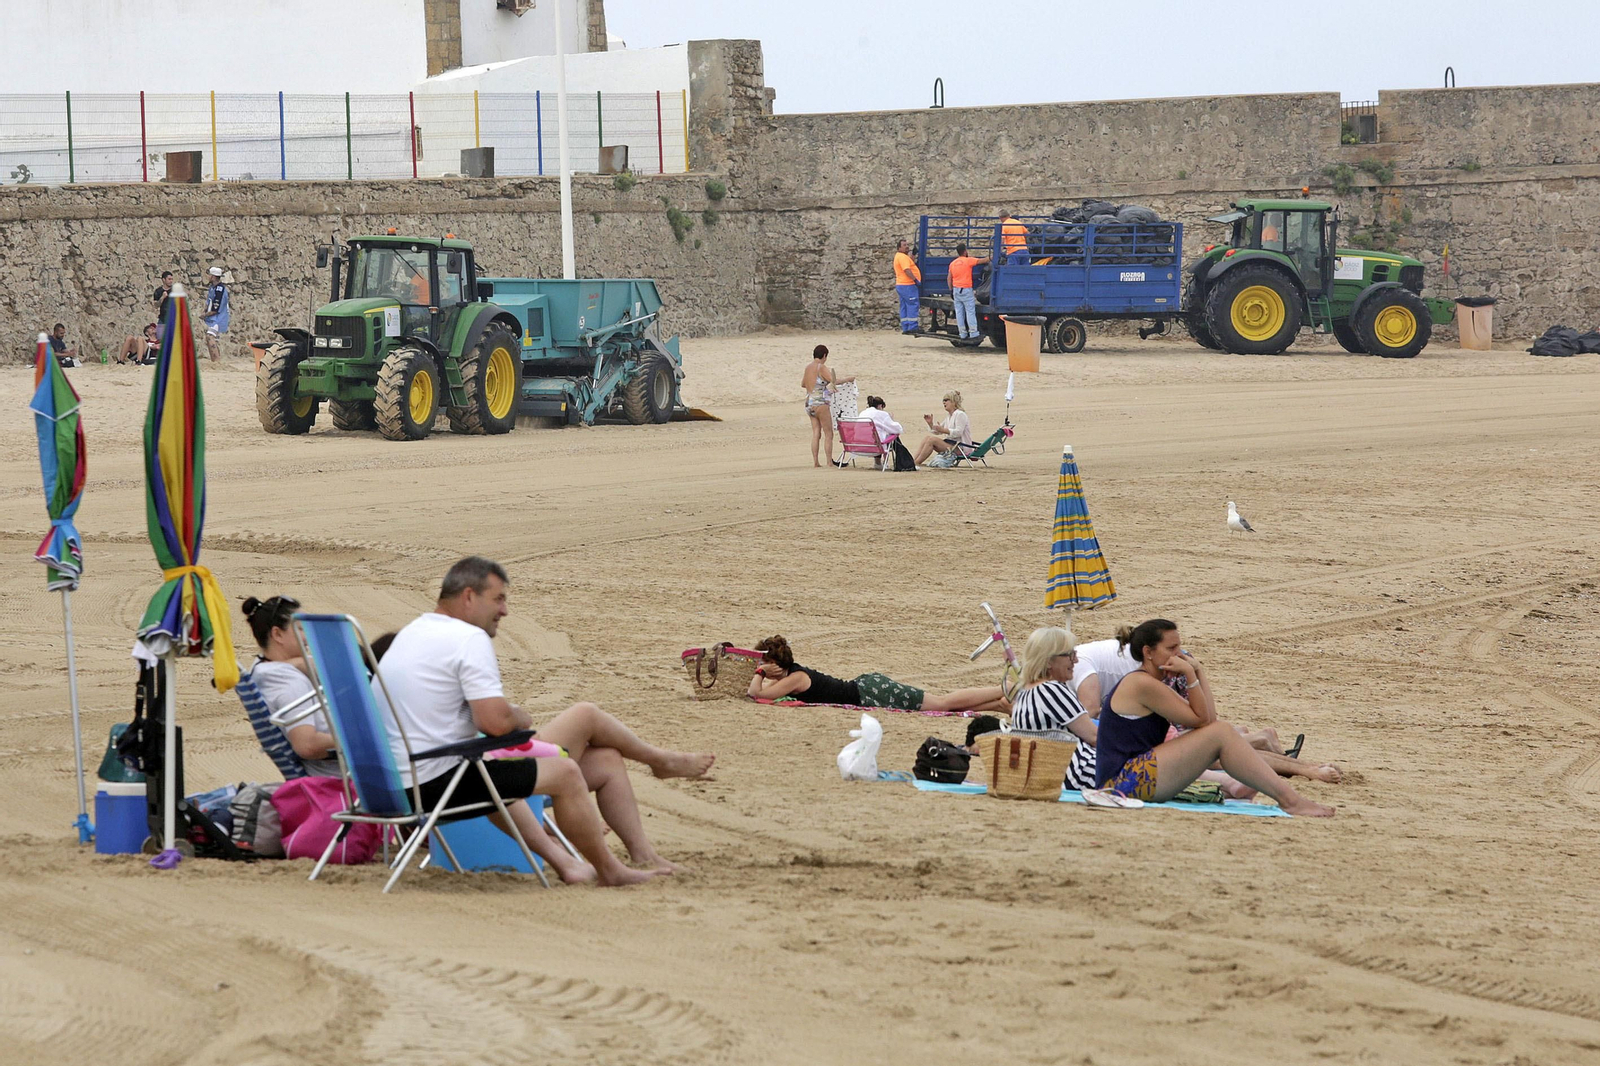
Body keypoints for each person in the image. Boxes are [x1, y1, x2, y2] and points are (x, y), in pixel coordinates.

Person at [375, 556, 714, 886]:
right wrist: (518, 715)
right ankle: (610, 870)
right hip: (433, 781)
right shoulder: (467, 638)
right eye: (499, 599)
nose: (505, 610)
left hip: (396, 781)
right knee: (565, 772)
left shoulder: (414, 633)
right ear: (468, 597)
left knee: (605, 760)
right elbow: (495, 723)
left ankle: (579, 862)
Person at [1094, 618, 1334, 816]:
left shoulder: (1152, 683)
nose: (1179, 654)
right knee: (1221, 732)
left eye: (1179, 647)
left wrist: (1198, 670)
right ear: (1148, 652)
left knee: (1222, 731)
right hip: (1121, 783)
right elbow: (1202, 721)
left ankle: (1286, 798)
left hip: (1137, 776)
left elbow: (1209, 719)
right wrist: (1190, 673)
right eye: (1171, 649)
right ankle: (1290, 800)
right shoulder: (1141, 683)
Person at [747, 635, 1009, 715]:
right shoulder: (791, 676)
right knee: (944, 707)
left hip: (872, 692)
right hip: (867, 688)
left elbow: (757, 695)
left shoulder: (795, 677)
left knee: (942, 703)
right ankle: (1001, 704)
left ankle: (1007, 688)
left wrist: (759, 671)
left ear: (773, 663)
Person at [239, 595, 340, 777]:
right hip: (340, 780)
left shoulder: (263, 668)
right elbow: (306, 745)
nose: (308, 636)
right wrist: (358, 740)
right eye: (301, 629)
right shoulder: (288, 681)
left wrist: (299, 663)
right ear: (277, 634)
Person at [1010, 627, 1098, 790]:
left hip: (1051, 775)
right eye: (1070, 655)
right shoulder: (1051, 690)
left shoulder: (1025, 692)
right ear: (1049, 661)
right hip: (1078, 774)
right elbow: (1094, 737)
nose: (1076, 661)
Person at [802, 344, 854, 469]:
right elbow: (834, 380)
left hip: (809, 402)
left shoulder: (808, 367)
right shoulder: (821, 367)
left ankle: (815, 462)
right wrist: (848, 379)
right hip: (820, 403)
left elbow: (803, 384)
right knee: (828, 433)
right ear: (824, 355)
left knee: (816, 433)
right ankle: (829, 462)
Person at [912, 390, 972, 466]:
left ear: (954, 402)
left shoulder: (960, 414)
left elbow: (958, 432)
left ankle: (916, 463)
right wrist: (930, 424)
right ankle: (913, 461)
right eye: (943, 400)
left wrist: (943, 430)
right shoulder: (949, 416)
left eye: (946, 400)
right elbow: (938, 431)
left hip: (960, 447)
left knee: (931, 440)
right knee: (927, 438)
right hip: (950, 445)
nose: (944, 402)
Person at [947, 243, 989, 343]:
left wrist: (951, 290)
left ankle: (962, 334)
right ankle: (973, 333)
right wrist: (991, 257)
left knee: (959, 313)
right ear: (965, 251)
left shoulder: (953, 263)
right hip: (966, 289)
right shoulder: (968, 261)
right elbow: (983, 261)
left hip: (956, 290)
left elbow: (949, 278)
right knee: (970, 311)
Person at [858, 394, 913, 470]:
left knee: (875, 435)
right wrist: (891, 419)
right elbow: (898, 429)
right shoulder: (882, 414)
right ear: (880, 406)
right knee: (891, 437)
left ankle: (877, 463)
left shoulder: (862, 413)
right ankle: (904, 463)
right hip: (875, 447)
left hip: (858, 446)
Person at [202, 266, 230, 362]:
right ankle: (215, 360)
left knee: (210, 336)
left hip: (219, 317)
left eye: (209, 275)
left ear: (213, 277)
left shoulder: (219, 289)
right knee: (210, 337)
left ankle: (216, 360)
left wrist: (205, 315)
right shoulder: (213, 288)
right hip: (215, 317)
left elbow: (216, 308)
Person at [893, 239, 922, 333]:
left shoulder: (902, 256)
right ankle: (913, 327)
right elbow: (907, 270)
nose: (907, 246)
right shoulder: (902, 257)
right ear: (899, 248)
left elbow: (910, 263)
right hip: (908, 285)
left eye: (907, 244)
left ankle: (905, 327)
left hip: (902, 285)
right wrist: (915, 280)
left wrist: (913, 255)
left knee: (904, 306)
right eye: (904, 245)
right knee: (913, 304)